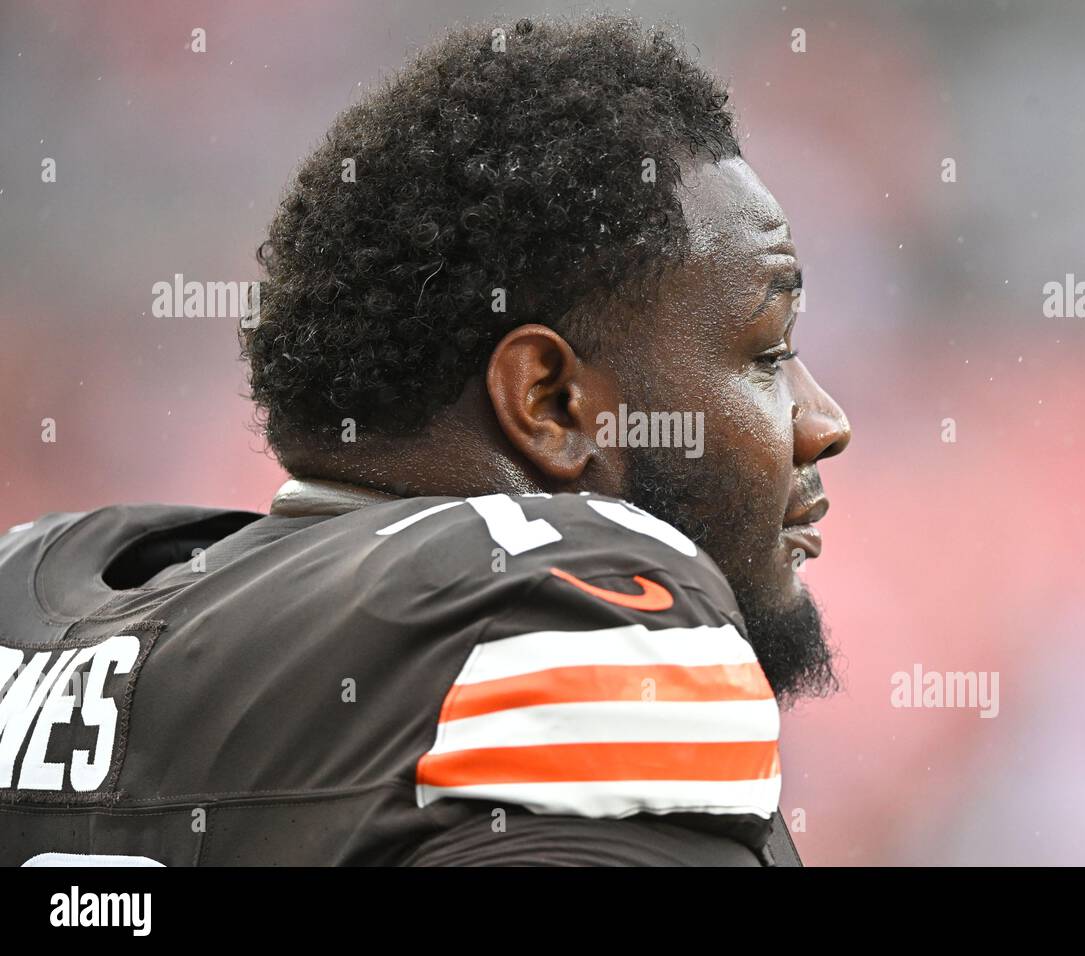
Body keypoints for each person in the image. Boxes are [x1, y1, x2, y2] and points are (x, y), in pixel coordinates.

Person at [0, 14, 849, 866]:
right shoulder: (564, 623)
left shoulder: (35, 594)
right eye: (768, 351)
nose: (826, 423)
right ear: (550, 403)